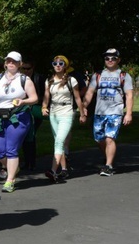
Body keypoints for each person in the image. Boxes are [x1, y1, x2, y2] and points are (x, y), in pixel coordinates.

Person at [0, 51, 38, 193]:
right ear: (5, 63)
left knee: (11, 149)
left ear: (20, 64)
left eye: (14, 61)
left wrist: (23, 101)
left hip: (18, 117)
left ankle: (10, 180)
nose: (11, 63)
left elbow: (34, 98)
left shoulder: (24, 80)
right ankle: (13, 167)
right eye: (9, 61)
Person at [80, 48, 134, 177]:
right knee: (99, 139)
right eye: (107, 58)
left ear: (118, 60)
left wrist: (129, 113)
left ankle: (108, 166)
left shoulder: (124, 76)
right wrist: (84, 106)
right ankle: (108, 157)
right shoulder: (97, 75)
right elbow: (89, 92)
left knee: (110, 138)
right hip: (99, 112)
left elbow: (130, 95)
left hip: (115, 111)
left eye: (113, 58)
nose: (110, 60)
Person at [41, 55, 85, 183]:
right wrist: (44, 107)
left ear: (65, 66)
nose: (58, 65)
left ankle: (53, 171)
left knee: (59, 141)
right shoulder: (49, 81)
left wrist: (82, 113)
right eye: (55, 63)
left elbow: (77, 98)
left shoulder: (72, 80)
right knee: (57, 141)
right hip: (53, 113)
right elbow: (46, 96)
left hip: (67, 112)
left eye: (61, 63)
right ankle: (64, 169)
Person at [19, 58, 46, 171]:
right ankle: (28, 161)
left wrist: (34, 101)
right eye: (23, 68)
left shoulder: (39, 78)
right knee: (25, 135)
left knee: (31, 133)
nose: (26, 71)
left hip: (36, 108)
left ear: (33, 68)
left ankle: (31, 161)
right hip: (22, 108)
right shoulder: (19, 78)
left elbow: (44, 94)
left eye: (28, 68)